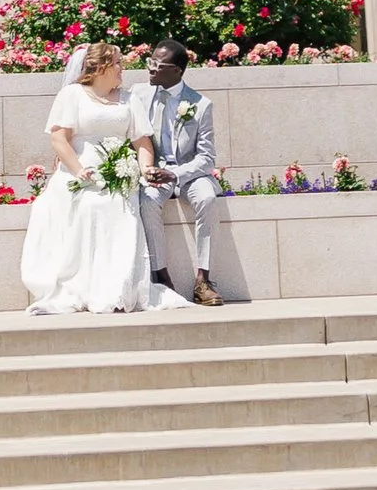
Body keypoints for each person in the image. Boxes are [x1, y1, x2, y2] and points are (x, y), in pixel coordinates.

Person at [19, 45, 190, 317]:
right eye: (118, 63)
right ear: (102, 68)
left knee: (118, 208)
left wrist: (145, 168)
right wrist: (78, 170)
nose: (123, 68)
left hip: (119, 176)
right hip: (79, 173)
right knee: (87, 207)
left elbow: (142, 140)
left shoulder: (128, 98)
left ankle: (118, 287)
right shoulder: (72, 95)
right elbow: (58, 139)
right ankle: (82, 286)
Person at [135, 44, 229, 304]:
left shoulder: (200, 105)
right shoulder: (138, 95)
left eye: (158, 65)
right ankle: (161, 277)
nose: (150, 68)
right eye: (150, 61)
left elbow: (206, 158)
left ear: (176, 71)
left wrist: (175, 174)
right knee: (146, 201)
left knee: (208, 199)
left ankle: (203, 281)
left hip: (189, 174)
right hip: (153, 172)